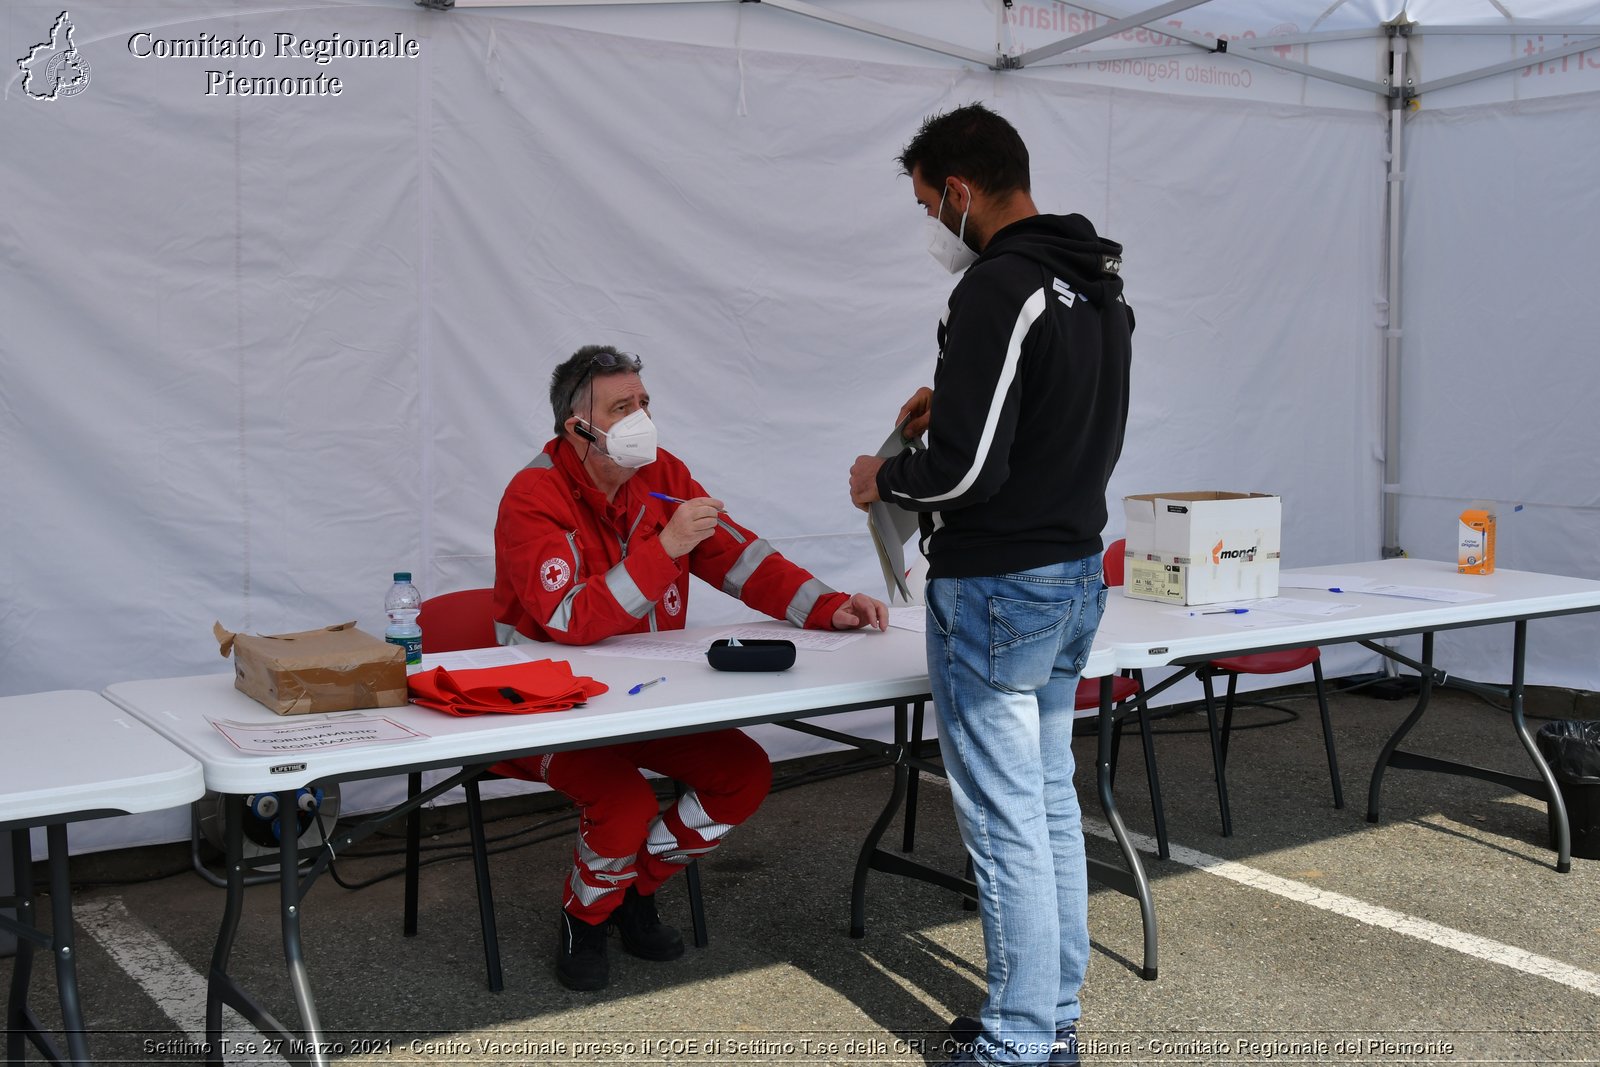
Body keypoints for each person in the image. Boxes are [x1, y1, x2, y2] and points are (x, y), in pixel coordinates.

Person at [848, 103, 1133, 1067]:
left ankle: (1018, 1040)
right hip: (1072, 572)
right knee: (1047, 798)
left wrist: (882, 478)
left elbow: (967, 473)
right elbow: (1060, 416)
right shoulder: (1096, 284)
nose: (932, 223)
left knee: (1007, 816)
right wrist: (953, 392)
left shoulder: (999, 285)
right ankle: (1049, 1017)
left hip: (1000, 583)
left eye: (931, 203)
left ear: (961, 192)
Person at [494, 343, 888, 992]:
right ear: (578, 427)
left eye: (644, 403)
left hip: (640, 700)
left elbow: (743, 560)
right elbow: (568, 617)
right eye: (622, 407)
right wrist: (666, 547)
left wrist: (830, 605)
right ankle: (583, 917)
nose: (641, 417)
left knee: (742, 773)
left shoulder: (663, 476)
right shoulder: (533, 493)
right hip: (542, 712)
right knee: (623, 799)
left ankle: (631, 889)